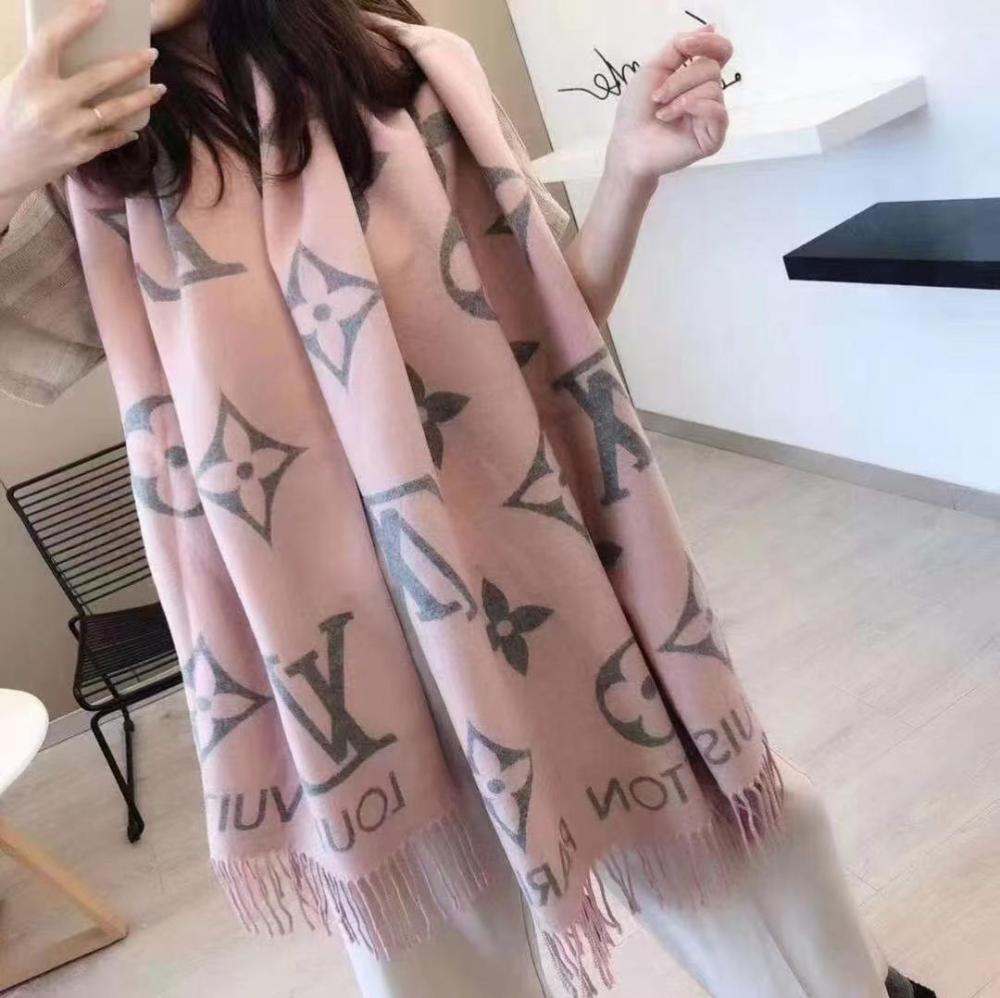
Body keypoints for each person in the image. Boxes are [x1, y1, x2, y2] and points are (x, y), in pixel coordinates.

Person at [0, 2, 935, 996]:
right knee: (433, 936)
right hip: (320, 625)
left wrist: (629, 168)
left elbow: (549, 326)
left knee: (710, 833)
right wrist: (10, 167)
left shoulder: (402, 73)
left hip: (519, 556)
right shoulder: (95, 157)